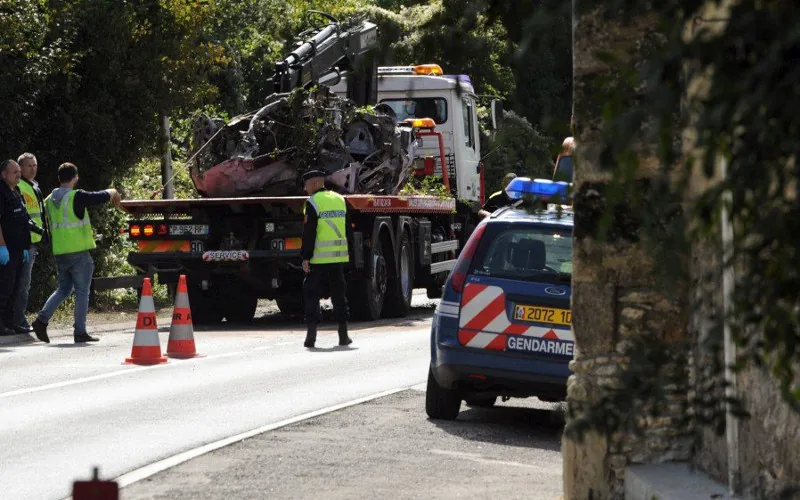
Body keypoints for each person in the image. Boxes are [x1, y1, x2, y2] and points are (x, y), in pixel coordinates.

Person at [31, 163, 121, 344]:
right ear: (76, 178)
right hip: (78, 252)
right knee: (82, 291)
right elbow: (99, 197)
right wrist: (113, 191)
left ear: (59, 178)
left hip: (60, 252)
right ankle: (80, 331)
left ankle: (41, 321)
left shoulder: (49, 199)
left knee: (63, 289)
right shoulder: (76, 196)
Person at [300, 170, 353, 348]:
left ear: (314, 183)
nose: (305, 188)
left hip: (318, 259)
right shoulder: (340, 200)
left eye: (306, 185)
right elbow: (348, 229)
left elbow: (309, 232)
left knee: (311, 294)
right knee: (339, 295)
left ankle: (311, 336)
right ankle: (343, 335)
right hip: (338, 258)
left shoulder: (313, 202)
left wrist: (305, 257)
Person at [0, 160, 42, 336]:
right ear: (3, 174)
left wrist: (25, 246)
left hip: (19, 249)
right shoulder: (1, 193)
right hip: (7, 250)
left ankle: (10, 322)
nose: (18, 174)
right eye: (14, 172)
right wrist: (2, 247)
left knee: (15, 287)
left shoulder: (16, 191)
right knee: (4, 288)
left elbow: (23, 220)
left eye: (19, 172)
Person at [13, 153, 47, 333]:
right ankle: (19, 319)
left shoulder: (33, 186)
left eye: (35, 165)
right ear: (20, 168)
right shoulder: (19, 186)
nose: (33, 169)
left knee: (24, 282)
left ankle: (17, 317)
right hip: (24, 242)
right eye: (29, 166)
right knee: (22, 282)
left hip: (33, 242)